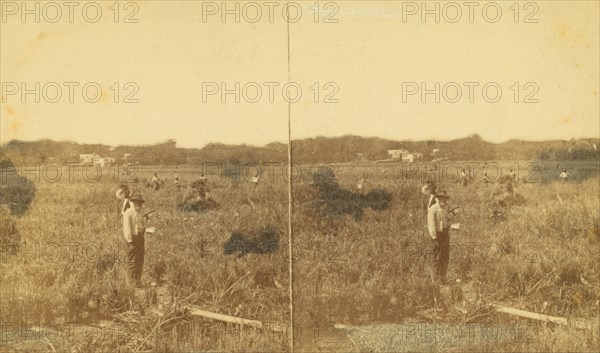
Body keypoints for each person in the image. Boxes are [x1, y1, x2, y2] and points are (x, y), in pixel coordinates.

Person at [427, 189, 454, 284]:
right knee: (436, 257)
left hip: (445, 234)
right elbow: (431, 224)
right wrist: (434, 238)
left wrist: (451, 224)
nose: (443, 201)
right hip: (437, 235)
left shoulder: (446, 208)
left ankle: (443, 278)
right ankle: (435, 280)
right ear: (437, 199)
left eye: (445, 199)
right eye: (441, 199)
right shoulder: (433, 209)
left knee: (445, 256)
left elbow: (448, 220)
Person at [123, 193, 148, 287]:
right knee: (132, 260)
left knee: (140, 259)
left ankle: (137, 280)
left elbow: (141, 226)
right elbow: (127, 228)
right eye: (136, 202)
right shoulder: (128, 213)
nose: (138, 204)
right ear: (133, 203)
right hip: (133, 239)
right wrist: (130, 242)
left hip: (140, 237)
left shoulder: (140, 213)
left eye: (139, 203)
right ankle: (130, 282)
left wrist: (145, 229)